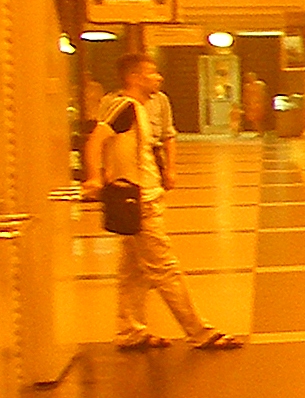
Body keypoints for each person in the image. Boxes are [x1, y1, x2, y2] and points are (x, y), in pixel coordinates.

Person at [88, 54, 243, 351]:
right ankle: (199, 331)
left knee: (133, 272)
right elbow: (96, 141)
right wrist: (95, 177)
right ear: (134, 78)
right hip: (139, 202)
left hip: (141, 199)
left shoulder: (140, 109)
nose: (158, 77)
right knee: (166, 269)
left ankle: (130, 330)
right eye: (151, 73)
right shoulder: (125, 107)